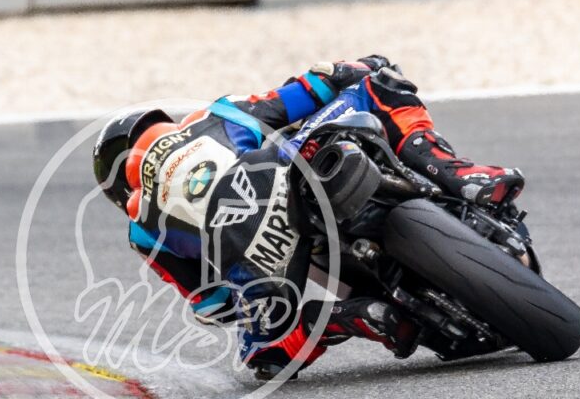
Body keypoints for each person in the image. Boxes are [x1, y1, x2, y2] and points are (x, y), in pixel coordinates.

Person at [92, 56, 524, 380]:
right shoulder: (215, 115)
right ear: (161, 124)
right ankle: (458, 175)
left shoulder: (141, 227)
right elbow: (310, 89)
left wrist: (241, 290)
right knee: (381, 85)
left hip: (258, 260)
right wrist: (355, 67)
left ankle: (342, 317)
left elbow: (211, 304)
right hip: (285, 171)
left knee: (264, 354)